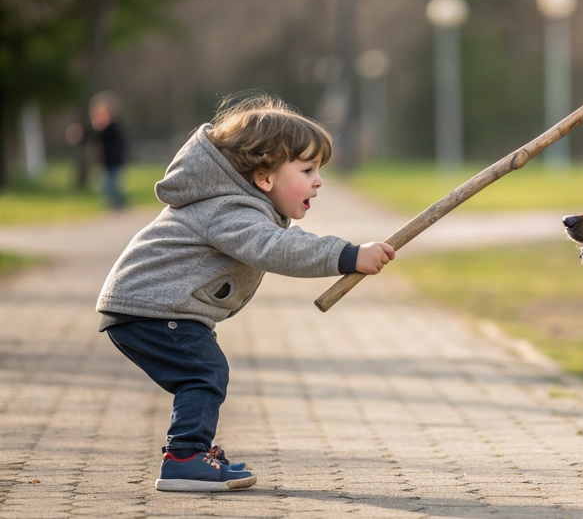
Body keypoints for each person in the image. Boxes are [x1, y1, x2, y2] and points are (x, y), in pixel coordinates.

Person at [96, 93, 395, 492]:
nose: (318, 180)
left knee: (202, 372)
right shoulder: (229, 210)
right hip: (150, 308)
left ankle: (192, 450)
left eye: (318, 170)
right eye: (307, 170)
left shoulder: (235, 205)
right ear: (265, 177)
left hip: (158, 307)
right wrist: (348, 255)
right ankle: (185, 457)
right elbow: (277, 248)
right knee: (204, 372)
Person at [88, 91, 129, 210]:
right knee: (106, 185)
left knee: (112, 185)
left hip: (114, 160)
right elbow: (93, 137)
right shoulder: (102, 128)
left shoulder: (113, 127)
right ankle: (114, 204)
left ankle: (120, 203)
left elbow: (109, 137)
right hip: (106, 161)